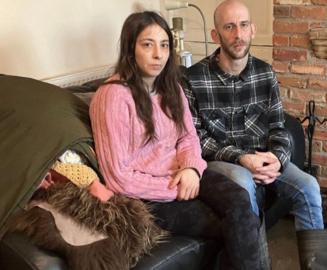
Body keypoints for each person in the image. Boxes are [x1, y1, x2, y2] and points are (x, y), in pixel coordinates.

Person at [89, 11, 266, 270]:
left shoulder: (170, 87)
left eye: (164, 45)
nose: (159, 55)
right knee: (232, 227)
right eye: (148, 45)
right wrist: (176, 188)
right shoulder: (113, 96)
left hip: (184, 174)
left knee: (241, 202)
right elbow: (119, 176)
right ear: (130, 48)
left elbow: (188, 137)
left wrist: (192, 169)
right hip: (145, 197)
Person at [185, 1, 326, 268]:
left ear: (252, 30)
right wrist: (243, 159)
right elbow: (197, 140)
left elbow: (279, 127)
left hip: (264, 158)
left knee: (309, 187)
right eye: (229, 27)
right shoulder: (193, 79)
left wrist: (278, 159)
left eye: (243, 25)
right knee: (243, 184)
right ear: (215, 35)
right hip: (223, 164)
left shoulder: (265, 73)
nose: (238, 34)